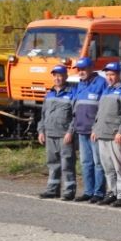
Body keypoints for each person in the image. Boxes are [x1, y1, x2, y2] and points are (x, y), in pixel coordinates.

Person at [93, 62, 121, 206]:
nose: (109, 77)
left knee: (119, 166)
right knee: (108, 166)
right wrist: (95, 129)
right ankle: (112, 191)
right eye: (107, 74)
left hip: (115, 134)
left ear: (119, 74)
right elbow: (100, 113)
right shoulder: (106, 89)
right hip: (102, 133)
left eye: (112, 74)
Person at [69, 56, 107, 203]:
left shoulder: (101, 83)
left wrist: (97, 128)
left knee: (98, 163)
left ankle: (98, 192)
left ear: (91, 68)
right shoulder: (80, 85)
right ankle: (88, 191)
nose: (81, 72)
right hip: (81, 130)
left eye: (84, 69)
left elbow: (103, 109)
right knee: (86, 163)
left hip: (94, 132)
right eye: (79, 69)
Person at [37, 65, 76, 201]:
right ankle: (52, 190)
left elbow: (75, 116)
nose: (57, 78)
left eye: (60, 75)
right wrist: (41, 131)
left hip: (64, 135)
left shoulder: (72, 93)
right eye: (55, 75)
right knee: (52, 163)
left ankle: (69, 191)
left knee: (67, 164)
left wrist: (70, 132)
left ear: (66, 76)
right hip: (50, 134)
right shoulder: (49, 94)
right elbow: (42, 115)